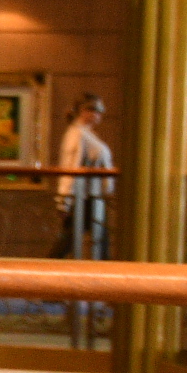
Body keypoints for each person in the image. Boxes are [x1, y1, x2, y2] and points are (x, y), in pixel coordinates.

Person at [51, 92, 112, 260]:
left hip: (93, 197)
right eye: (94, 109)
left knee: (97, 242)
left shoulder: (88, 134)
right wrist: (64, 200)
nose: (99, 114)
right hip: (83, 199)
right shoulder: (77, 134)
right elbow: (70, 167)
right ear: (83, 111)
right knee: (68, 241)